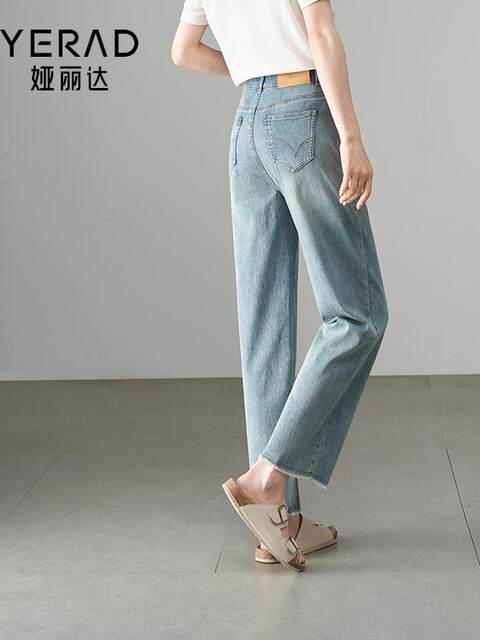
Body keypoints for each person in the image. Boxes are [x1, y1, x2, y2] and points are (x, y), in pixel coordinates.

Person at [172, 0, 388, 571]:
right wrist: (352, 138)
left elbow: (183, 51)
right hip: (301, 114)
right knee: (358, 316)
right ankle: (266, 477)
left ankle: (279, 527)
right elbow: (321, 33)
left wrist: (253, 68)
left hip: (247, 126)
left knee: (263, 330)